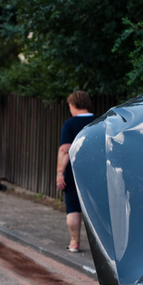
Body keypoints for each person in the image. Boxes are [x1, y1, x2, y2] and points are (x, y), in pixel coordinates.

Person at [56, 90, 94, 253]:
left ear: (74, 105)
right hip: (95, 172)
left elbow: (65, 150)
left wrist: (59, 173)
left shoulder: (70, 124)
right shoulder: (98, 122)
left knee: (73, 208)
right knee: (94, 210)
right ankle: (99, 247)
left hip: (74, 172)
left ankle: (74, 243)